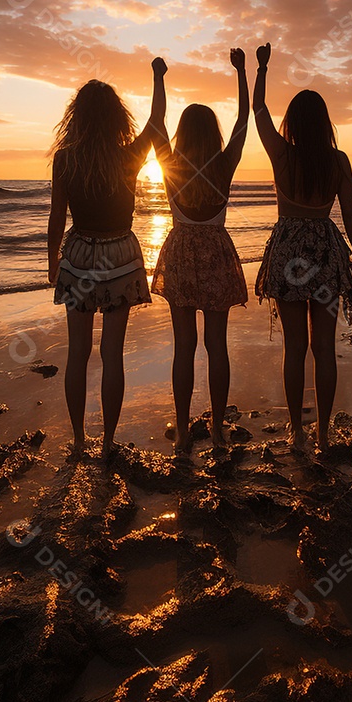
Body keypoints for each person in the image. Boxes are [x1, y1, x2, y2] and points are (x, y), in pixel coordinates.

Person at [47, 59, 166, 459]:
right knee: (112, 354)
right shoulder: (128, 156)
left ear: (76, 117)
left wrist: (52, 263)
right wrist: (157, 77)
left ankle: (80, 441)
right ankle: (109, 443)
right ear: (116, 117)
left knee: (77, 353)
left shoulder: (66, 159)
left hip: (79, 255)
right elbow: (156, 119)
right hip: (120, 254)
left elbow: (56, 216)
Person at [251, 42, 352, 452]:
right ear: (325, 123)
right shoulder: (339, 161)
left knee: (295, 348)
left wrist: (261, 68)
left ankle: (298, 433)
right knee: (324, 349)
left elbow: (257, 110)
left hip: (287, 255)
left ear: (294, 124)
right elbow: (350, 215)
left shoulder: (282, 154)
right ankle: (322, 432)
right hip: (324, 253)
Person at [151, 49, 249, 454]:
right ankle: (218, 429)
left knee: (184, 347)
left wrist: (159, 77)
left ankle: (185, 427)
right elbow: (244, 120)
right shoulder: (225, 164)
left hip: (180, 254)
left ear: (183, 134)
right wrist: (243, 72)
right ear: (213, 134)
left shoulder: (170, 162)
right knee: (217, 345)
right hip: (216, 254)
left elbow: (156, 122)